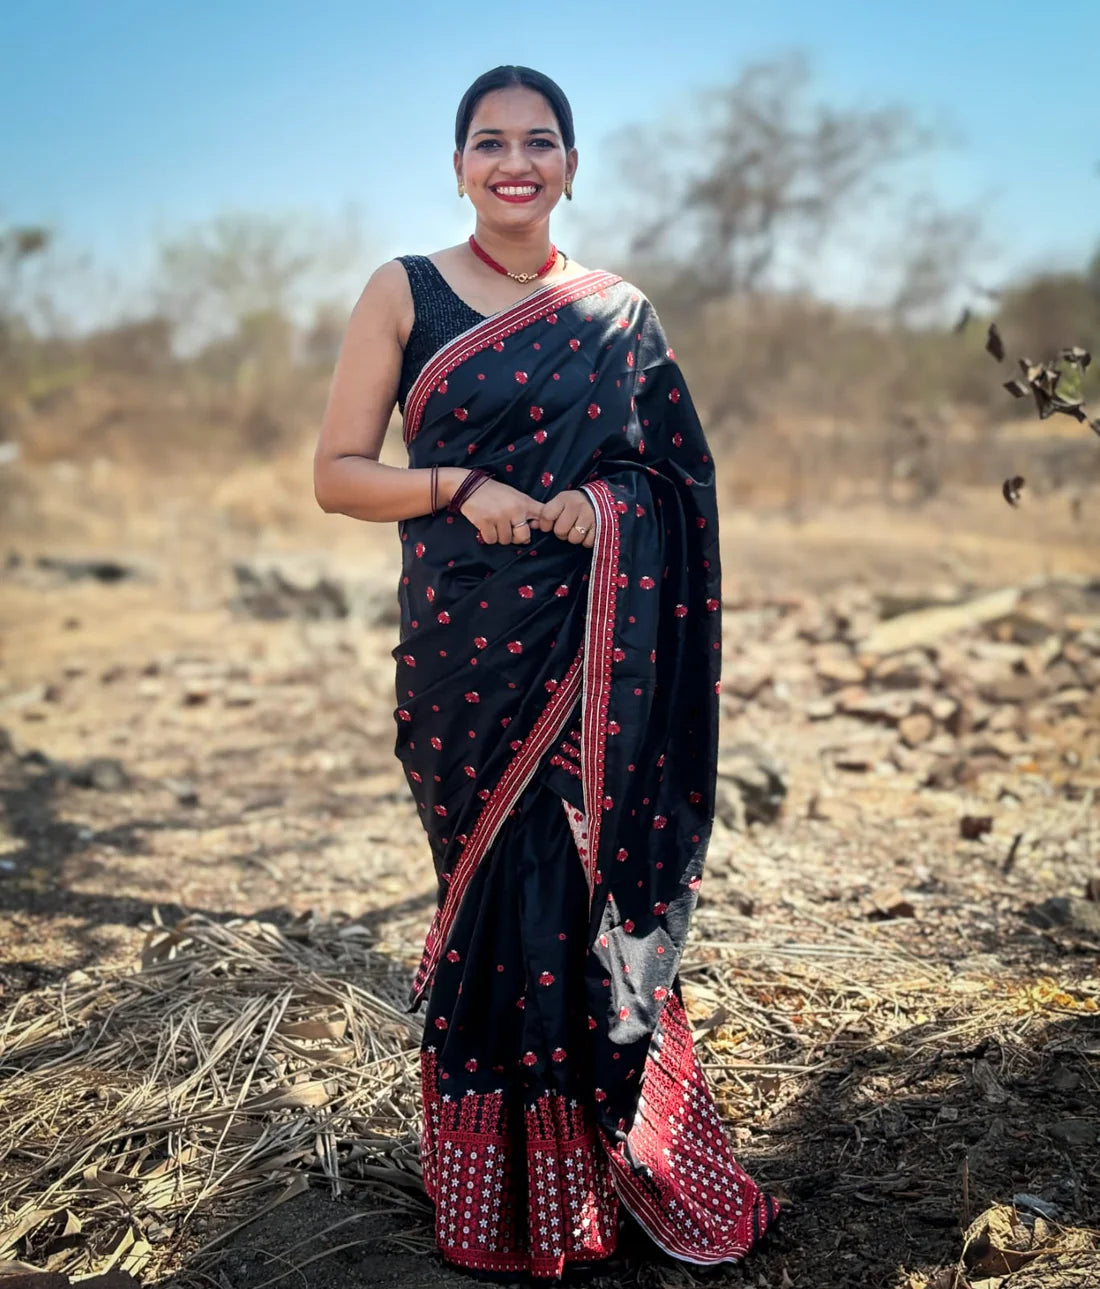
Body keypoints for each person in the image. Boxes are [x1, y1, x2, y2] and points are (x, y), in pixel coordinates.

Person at [313, 64, 777, 1282]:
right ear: (456, 162)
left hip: (593, 658)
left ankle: (617, 1166)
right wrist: (464, 485)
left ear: (571, 163)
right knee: (488, 907)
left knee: (578, 895)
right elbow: (339, 474)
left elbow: (671, 485)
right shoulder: (402, 291)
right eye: (487, 141)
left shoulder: (620, 313)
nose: (512, 161)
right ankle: (504, 1196)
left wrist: (595, 501)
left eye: (538, 141)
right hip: (464, 656)